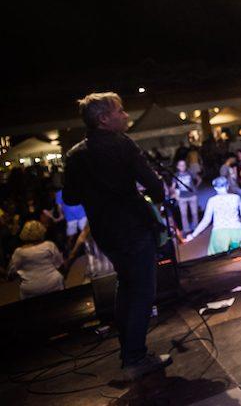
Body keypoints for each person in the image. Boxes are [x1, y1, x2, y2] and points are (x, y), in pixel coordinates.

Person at [62, 92, 171, 380]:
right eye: (120, 111)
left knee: (126, 287)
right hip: (133, 227)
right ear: (103, 119)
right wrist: (150, 196)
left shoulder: (75, 155)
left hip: (105, 232)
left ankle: (129, 353)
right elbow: (154, 186)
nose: (126, 115)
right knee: (143, 292)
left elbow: (70, 197)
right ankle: (135, 358)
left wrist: (96, 193)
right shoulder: (122, 144)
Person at [183, 177, 241, 255]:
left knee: (219, 260)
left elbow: (206, 221)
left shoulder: (212, 200)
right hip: (237, 231)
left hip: (220, 234)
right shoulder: (236, 197)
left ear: (215, 188)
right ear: (227, 186)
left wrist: (193, 235)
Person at [7, 220, 66, 300]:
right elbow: (60, 265)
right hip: (54, 283)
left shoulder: (19, 252)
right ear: (42, 231)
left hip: (31, 289)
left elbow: (10, 274)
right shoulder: (49, 245)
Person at [170, 159, 201, 232]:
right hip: (182, 197)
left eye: (184, 165)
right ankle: (186, 230)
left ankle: (196, 228)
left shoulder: (190, 172)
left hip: (192, 195)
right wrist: (175, 194)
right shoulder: (176, 175)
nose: (182, 167)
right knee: (183, 215)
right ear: (177, 167)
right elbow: (173, 187)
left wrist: (195, 188)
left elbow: (199, 179)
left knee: (194, 213)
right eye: (181, 165)